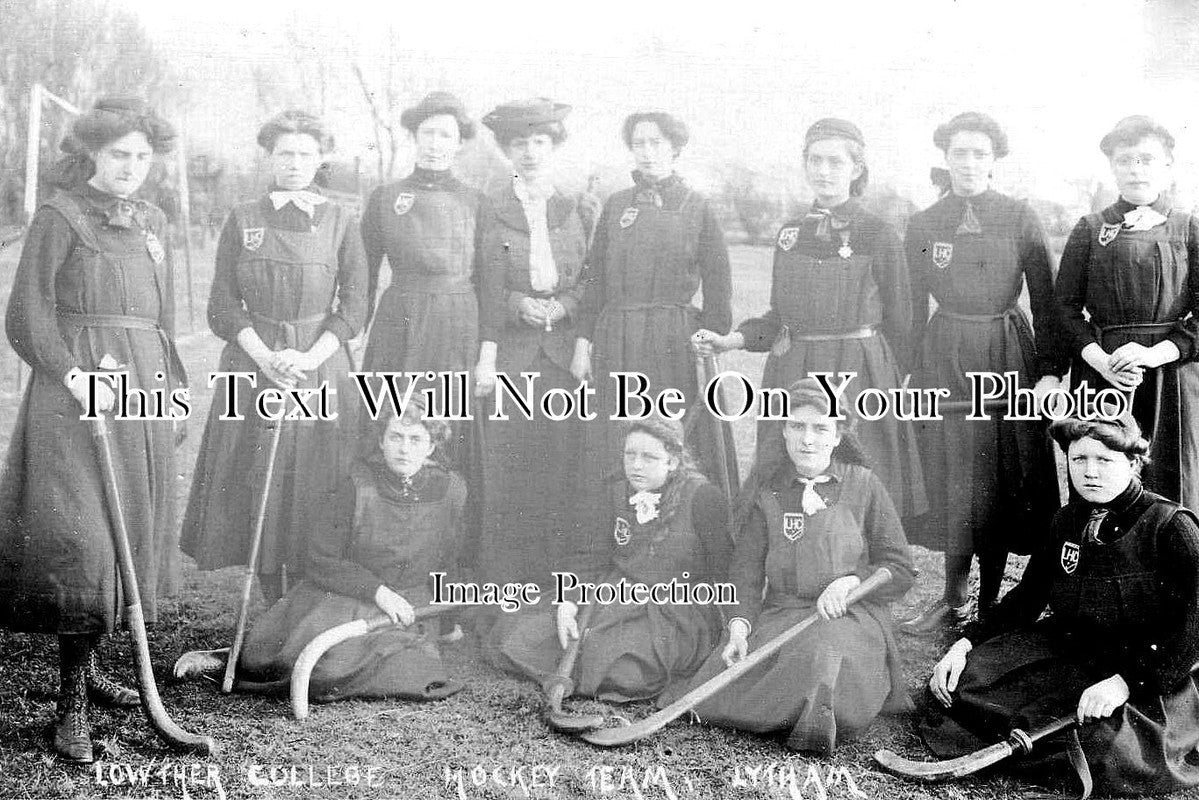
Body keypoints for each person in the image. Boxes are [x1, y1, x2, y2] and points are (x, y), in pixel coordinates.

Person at [0, 97, 183, 763]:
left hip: (141, 389)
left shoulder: (156, 221)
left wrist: (174, 390)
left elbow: (163, 318)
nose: (131, 167)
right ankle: (70, 703)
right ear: (94, 156)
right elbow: (26, 313)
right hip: (74, 393)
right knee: (83, 540)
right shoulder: (61, 215)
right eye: (118, 156)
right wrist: (71, 374)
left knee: (124, 532)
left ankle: (99, 668)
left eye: (141, 156)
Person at [923, 416, 1199, 796]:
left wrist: (1124, 684)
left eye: (1104, 461)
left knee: (1106, 748)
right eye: (1078, 459)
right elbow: (1028, 597)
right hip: (1075, 649)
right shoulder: (1067, 519)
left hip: (1147, 668)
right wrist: (965, 643)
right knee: (966, 684)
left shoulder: (1171, 526)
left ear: (1133, 464)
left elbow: (1194, 626)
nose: (1090, 472)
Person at [664, 378, 915, 754]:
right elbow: (745, 575)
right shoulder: (768, 493)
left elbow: (899, 567)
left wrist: (850, 582)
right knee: (722, 678)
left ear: (838, 435)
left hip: (850, 617)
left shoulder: (864, 485)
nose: (807, 439)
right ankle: (801, 706)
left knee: (824, 657)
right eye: (797, 426)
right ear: (783, 431)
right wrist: (739, 627)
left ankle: (818, 714)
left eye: (820, 428)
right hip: (783, 615)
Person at [692, 118, 925, 519]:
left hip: (859, 376)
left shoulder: (879, 232)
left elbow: (903, 323)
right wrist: (730, 340)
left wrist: (883, 379)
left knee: (855, 479)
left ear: (856, 169)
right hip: (795, 373)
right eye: (815, 160)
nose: (823, 171)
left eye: (835, 162)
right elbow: (777, 318)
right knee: (788, 480)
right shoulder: (790, 234)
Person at [180, 110, 367, 601]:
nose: (295, 162)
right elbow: (221, 304)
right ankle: (268, 601)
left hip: (319, 367)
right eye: (286, 152)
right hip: (255, 364)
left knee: (315, 477)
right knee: (258, 475)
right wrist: (264, 355)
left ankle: (307, 600)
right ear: (270, 156)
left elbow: (355, 305)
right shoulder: (243, 218)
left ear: (320, 158)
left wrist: (308, 358)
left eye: (306, 153)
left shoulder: (342, 220)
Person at [901, 112, 1063, 633]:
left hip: (1005, 354)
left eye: (979, 154)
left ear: (994, 160)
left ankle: (991, 603)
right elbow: (909, 303)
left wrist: (1047, 372)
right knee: (952, 471)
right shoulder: (925, 222)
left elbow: (1048, 299)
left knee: (998, 475)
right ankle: (952, 596)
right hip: (943, 355)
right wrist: (906, 371)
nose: (968, 163)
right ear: (945, 158)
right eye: (959, 153)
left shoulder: (1019, 216)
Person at [572, 111, 736, 573]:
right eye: (638, 143)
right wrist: (584, 340)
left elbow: (719, 286)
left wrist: (711, 334)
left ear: (674, 148)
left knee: (673, 437)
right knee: (617, 438)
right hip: (619, 338)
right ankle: (617, 547)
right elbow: (595, 281)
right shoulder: (616, 204)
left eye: (656, 142)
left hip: (671, 342)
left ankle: (682, 550)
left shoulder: (697, 206)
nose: (646, 151)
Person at [220, 401, 466, 702]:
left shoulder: (450, 490)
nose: (404, 448)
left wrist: (448, 621)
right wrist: (378, 592)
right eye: (395, 437)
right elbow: (321, 558)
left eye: (415, 439)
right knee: (320, 668)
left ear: (431, 447)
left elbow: (449, 558)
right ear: (381, 441)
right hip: (350, 596)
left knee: (410, 670)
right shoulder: (357, 486)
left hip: (409, 604)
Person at [485, 417, 732, 702]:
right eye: (630, 454)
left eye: (649, 457)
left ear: (673, 462)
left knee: (622, 667)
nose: (636, 465)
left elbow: (725, 570)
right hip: (616, 596)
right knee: (523, 638)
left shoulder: (703, 497)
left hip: (675, 609)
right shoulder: (616, 488)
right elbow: (592, 556)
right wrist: (570, 601)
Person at [473, 98, 590, 592]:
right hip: (511, 353)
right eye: (519, 144)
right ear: (505, 150)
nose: (530, 153)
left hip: (564, 355)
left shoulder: (579, 205)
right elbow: (480, 281)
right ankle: (505, 579)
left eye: (539, 142)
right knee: (507, 464)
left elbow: (596, 277)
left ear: (554, 146)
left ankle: (555, 578)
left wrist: (565, 306)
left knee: (562, 461)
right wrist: (518, 303)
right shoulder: (490, 206)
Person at [1055, 116, 1199, 509]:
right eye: (1125, 160)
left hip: (1170, 378)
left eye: (1147, 159)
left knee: (1173, 483)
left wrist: (1154, 355)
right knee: (1099, 475)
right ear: (1112, 167)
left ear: (1168, 166)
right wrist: (1102, 362)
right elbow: (1064, 309)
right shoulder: (1089, 229)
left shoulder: (1188, 229)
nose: (1137, 170)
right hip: (1103, 376)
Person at [360, 92, 485, 467]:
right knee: (387, 412)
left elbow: (490, 280)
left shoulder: (476, 201)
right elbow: (364, 272)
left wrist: (488, 350)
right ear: (415, 137)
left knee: (447, 422)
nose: (434, 144)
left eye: (445, 135)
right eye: (427, 133)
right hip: (399, 319)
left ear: (459, 143)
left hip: (455, 323)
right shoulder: (387, 197)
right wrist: (357, 326)